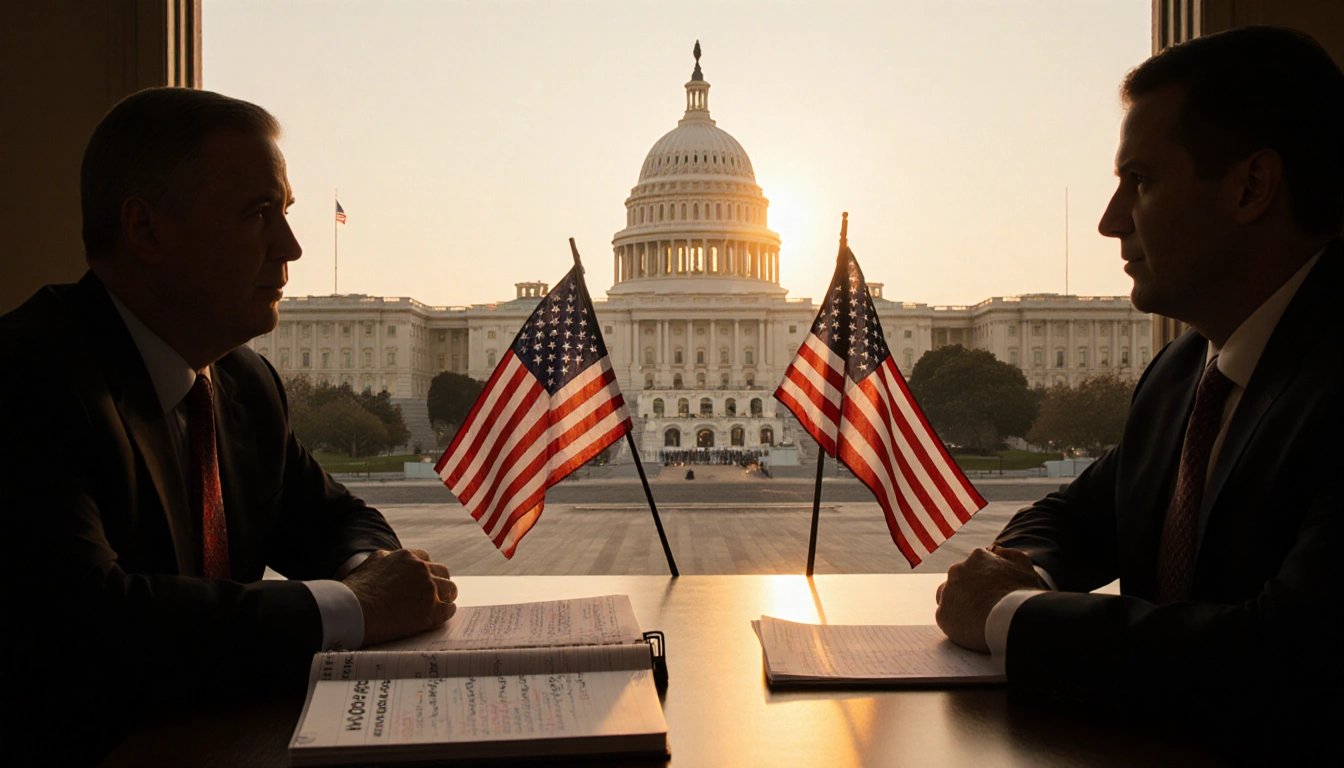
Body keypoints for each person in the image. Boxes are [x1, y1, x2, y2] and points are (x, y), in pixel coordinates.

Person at [0, 88, 458, 765]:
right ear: (146, 230)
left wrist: (370, 574)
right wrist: (354, 610)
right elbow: (94, 624)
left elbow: (332, 518)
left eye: (288, 213)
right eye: (258, 214)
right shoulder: (26, 378)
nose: (292, 246)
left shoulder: (241, 382)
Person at [935, 26, 1342, 763]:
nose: (1110, 220)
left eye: (1142, 182)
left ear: (1252, 187)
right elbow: (1080, 512)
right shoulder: (1188, 369)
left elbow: (1284, 659)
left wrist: (1011, 615)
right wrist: (1022, 564)